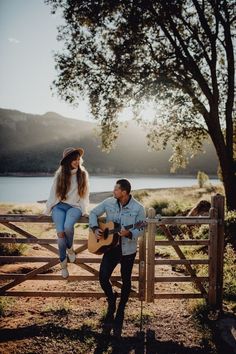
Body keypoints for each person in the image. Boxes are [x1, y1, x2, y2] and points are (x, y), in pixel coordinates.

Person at [89, 179, 145, 335]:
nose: (114, 191)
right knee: (102, 276)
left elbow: (142, 227)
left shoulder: (139, 208)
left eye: (116, 189)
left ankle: (121, 308)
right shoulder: (108, 202)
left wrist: (130, 233)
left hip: (128, 250)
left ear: (124, 192)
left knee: (126, 279)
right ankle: (112, 299)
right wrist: (95, 228)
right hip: (110, 249)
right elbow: (93, 213)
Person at [43, 147, 89, 278]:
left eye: (78, 159)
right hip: (60, 207)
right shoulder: (60, 174)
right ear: (68, 160)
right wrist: (47, 210)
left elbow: (85, 195)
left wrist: (84, 210)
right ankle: (63, 265)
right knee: (61, 234)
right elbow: (53, 194)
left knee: (68, 227)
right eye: (74, 159)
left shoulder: (83, 174)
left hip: (75, 207)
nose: (77, 161)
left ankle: (70, 248)